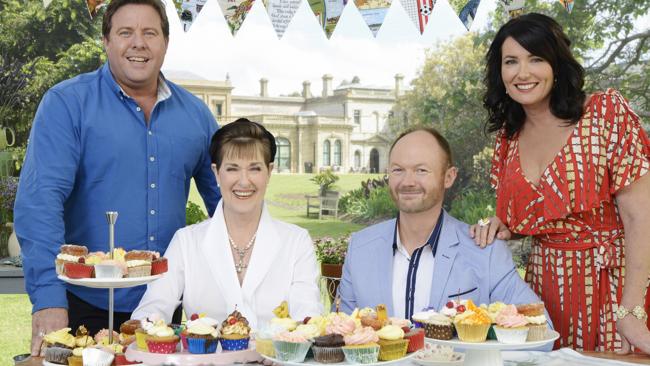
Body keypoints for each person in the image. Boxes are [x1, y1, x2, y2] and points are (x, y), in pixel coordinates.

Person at [14, 0, 221, 356]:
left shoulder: (197, 116)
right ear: (106, 42)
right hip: (81, 305)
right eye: (125, 32)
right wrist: (48, 298)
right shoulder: (67, 104)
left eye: (149, 33)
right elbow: (40, 202)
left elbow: (228, 204)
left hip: (167, 308)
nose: (138, 43)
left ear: (165, 43)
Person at [470, 13, 650, 353]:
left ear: (557, 64)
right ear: (500, 73)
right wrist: (504, 225)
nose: (523, 72)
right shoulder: (508, 138)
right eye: (511, 61)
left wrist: (630, 312)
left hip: (611, 287)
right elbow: (541, 215)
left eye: (536, 58)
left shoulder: (604, 113)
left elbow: (641, 217)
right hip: (542, 292)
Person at [338, 128, 546, 324]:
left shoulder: (485, 250)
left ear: (449, 177)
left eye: (421, 170)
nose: (407, 182)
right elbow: (341, 334)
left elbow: (539, 329)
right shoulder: (360, 248)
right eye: (398, 170)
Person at [132, 118, 323, 328]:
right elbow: (152, 309)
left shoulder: (296, 241)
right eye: (232, 168)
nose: (243, 181)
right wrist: (147, 328)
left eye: (255, 169)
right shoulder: (186, 241)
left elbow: (308, 318)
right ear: (216, 172)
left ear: (269, 172)